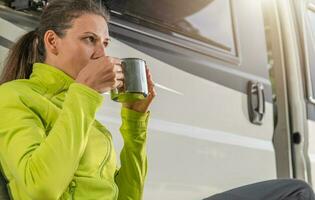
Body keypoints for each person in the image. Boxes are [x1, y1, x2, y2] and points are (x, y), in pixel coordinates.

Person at [0, 0, 156, 199]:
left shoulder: (87, 116)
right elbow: (41, 189)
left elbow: (127, 197)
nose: (102, 54)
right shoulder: (15, 96)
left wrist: (134, 123)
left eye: (105, 43)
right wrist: (84, 91)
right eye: (90, 39)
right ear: (52, 42)